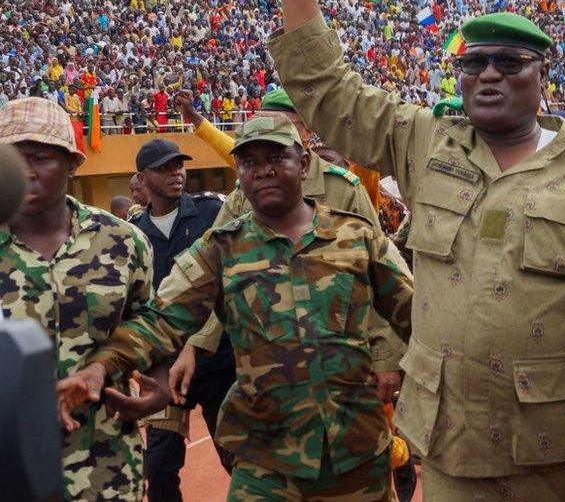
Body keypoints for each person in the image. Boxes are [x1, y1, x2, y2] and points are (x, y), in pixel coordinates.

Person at [271, 0, 565, 500]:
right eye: (475, 62)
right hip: (451, 453)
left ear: (543, 76)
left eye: (511, 62)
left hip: (561, 459)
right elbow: (324, 85)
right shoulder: (425, 143)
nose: (490, 72)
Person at [57, 114, 414, 501]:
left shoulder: (357, 236)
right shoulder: (220, 248)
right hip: (265, 460)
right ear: (239, 173)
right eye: (249, 163)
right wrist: (101, 366)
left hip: (355, 453)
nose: (263, 171)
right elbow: (160, 320)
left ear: (305, 164)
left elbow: (419, 318)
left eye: (276, 158)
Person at [173, 88, 406, 406]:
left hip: (343, 366)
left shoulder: (344, 190)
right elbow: (211, 275)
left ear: (307, 132)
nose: (269, 137)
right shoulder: (245, 195)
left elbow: (380, 277)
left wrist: (386, 358)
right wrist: (193, 345)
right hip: (272, 371)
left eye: (282, 126)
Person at [0, 97, 168, 501]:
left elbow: (151, 320)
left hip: (104, 466)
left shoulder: (123, 242)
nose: (25, 173)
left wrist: (157, 393)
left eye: (40, 157)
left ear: (73, 164)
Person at [129, 138, 233, 500]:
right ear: (142, 178)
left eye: (179, 166)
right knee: (157, 469)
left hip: (218, 362)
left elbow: (221, 285)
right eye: (164, 168)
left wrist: (193, 344)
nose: (176, 173)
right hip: (165, 369)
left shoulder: (212, 212)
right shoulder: (133, 233)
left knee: (238, 461)